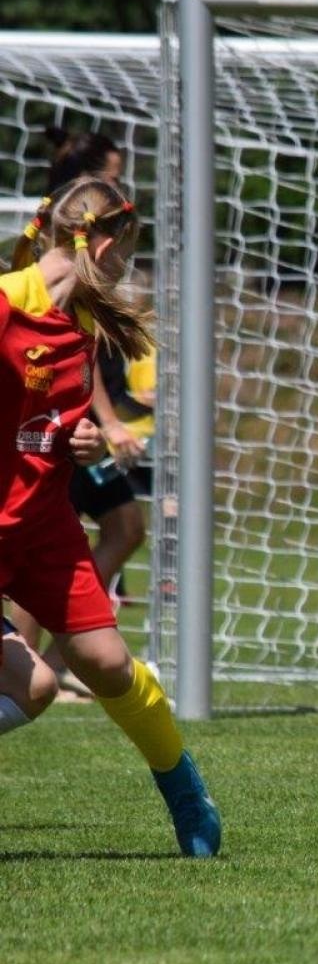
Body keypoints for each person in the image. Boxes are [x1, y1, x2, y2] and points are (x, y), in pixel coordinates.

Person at [0, 175, 220, 856]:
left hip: (42, 525)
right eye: (128, 249)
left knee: (106, 663)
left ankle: (185, 792)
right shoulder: (5, 304)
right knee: (35, 685)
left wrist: (84, 438)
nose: (128, 265)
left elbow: (52, 419)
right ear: (98, 242)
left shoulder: (84, 325)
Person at [9, 127, 147, 689]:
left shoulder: (80, 311)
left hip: (62, 433)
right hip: (37, 446)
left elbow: (72, 369)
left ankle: (63, 656)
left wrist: (89, 429)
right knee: (42, 545)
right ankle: (39, 661)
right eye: (114, 177)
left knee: (121, 527)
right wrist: (108, 421)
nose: (120, 185)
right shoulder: (22, 301)